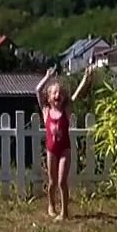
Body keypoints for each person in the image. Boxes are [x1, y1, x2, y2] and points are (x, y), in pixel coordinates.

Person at [35, 64, 96, 221]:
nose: (58, 95)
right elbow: (37, 90)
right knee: (52, 182)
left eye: (60, 93)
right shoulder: (46, 111)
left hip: (65, 150)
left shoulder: (66, 111)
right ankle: (51, 206)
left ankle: (64, 212)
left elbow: (77, 94)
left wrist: (85, 78)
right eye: (54, 93)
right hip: (51, 150)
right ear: (49, 97)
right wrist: (47, 77)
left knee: (62, 181)